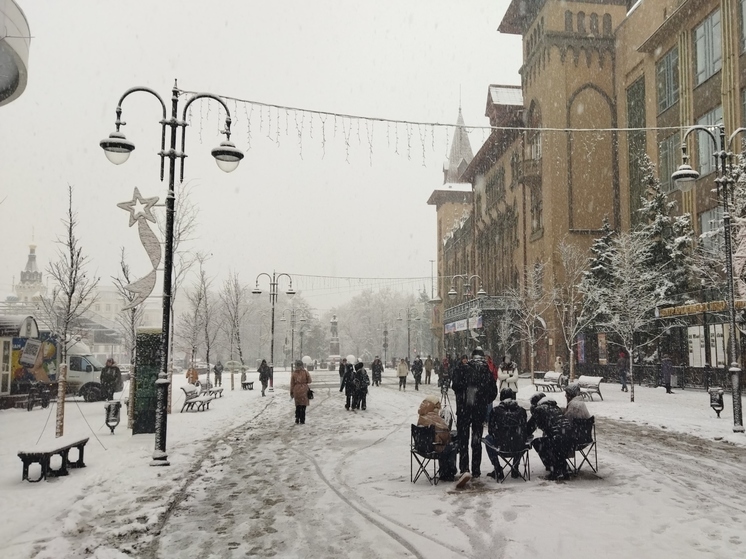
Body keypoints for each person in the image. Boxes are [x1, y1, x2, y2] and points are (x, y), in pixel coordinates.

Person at [450, 348, 498, 479]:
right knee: (476, 439)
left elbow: (455, 385)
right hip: (479, 411)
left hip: (464, 410)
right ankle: (476, 469)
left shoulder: (463, 369)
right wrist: (483, 401)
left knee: (463, 439)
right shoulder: (486, 372)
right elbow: (493, 392)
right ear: (482, 358)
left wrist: (462, 399)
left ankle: (464, 468)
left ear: (472, 357)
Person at [484, 388, 528, 480]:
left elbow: (490, 430)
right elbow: (525, 430)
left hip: (501, 447)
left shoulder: (495, 411)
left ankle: (497, 468)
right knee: (523, 438)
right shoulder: (522, 411)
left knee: (488, 438)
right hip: (518, 448)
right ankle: (515, 467)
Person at [527, 397, 573, 480]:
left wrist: (523, 435)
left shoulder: (539, 410)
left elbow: (529, 428)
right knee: (555, 443)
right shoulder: (555, 407)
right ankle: (565, 469)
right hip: (569, 435)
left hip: (558, 436)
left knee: (538, 443)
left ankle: (555, 471)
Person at [416, 395, 458, 482]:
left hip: (421, 448)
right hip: (433, 450)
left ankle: (444, 471)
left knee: (444, 446)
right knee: (452, 446)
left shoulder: (422, 417)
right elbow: (445, 437)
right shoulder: (436, 420)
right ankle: (449, 472)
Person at [290, 360, 312, 424]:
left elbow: (292, 384)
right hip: (304, 390)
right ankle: (302, 419)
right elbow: (310, 381)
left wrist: (291, 392)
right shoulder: (305, 372)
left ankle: (297, 417)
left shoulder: (294, 373)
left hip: (296, 390)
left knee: (298, 405)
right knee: (303, 405)